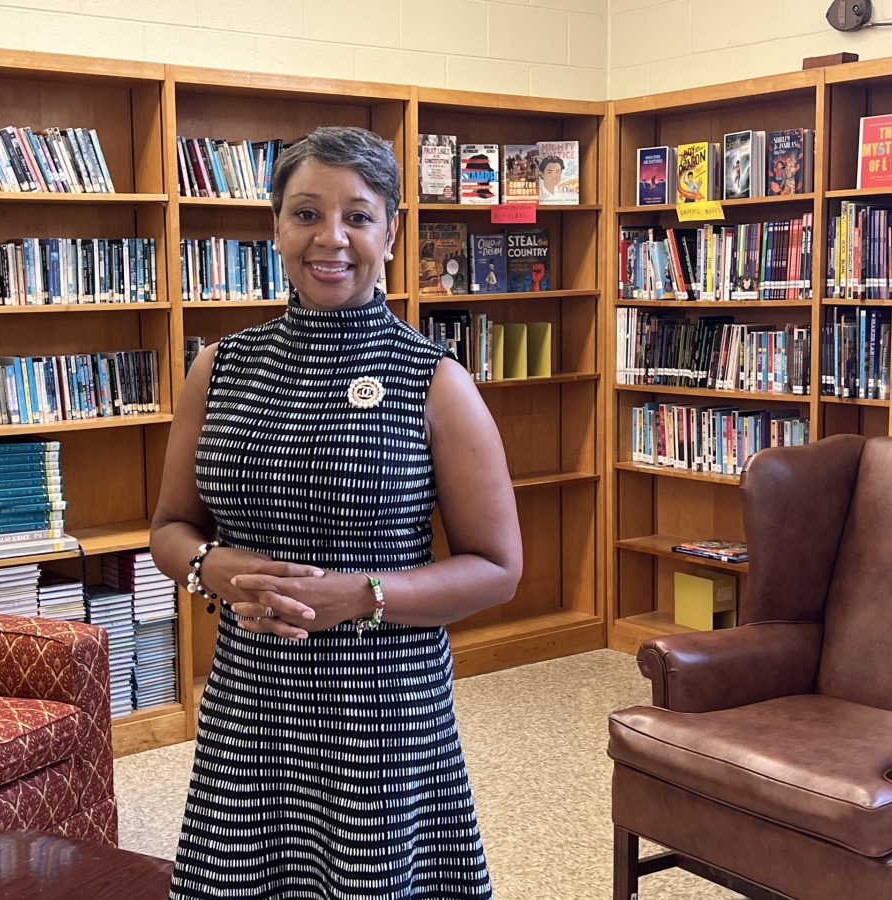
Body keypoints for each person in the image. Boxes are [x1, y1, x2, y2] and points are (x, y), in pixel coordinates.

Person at [151, 125, 523, 899]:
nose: (332, 238)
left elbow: (497, 569)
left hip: (381, 709)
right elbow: (170, 528)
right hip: (251, 704)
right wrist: (209, 567)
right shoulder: (219, 368)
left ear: (392, 228)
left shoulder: (434, 380)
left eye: (357, 215)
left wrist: (360, 595)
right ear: (276, 227)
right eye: (306, 213)